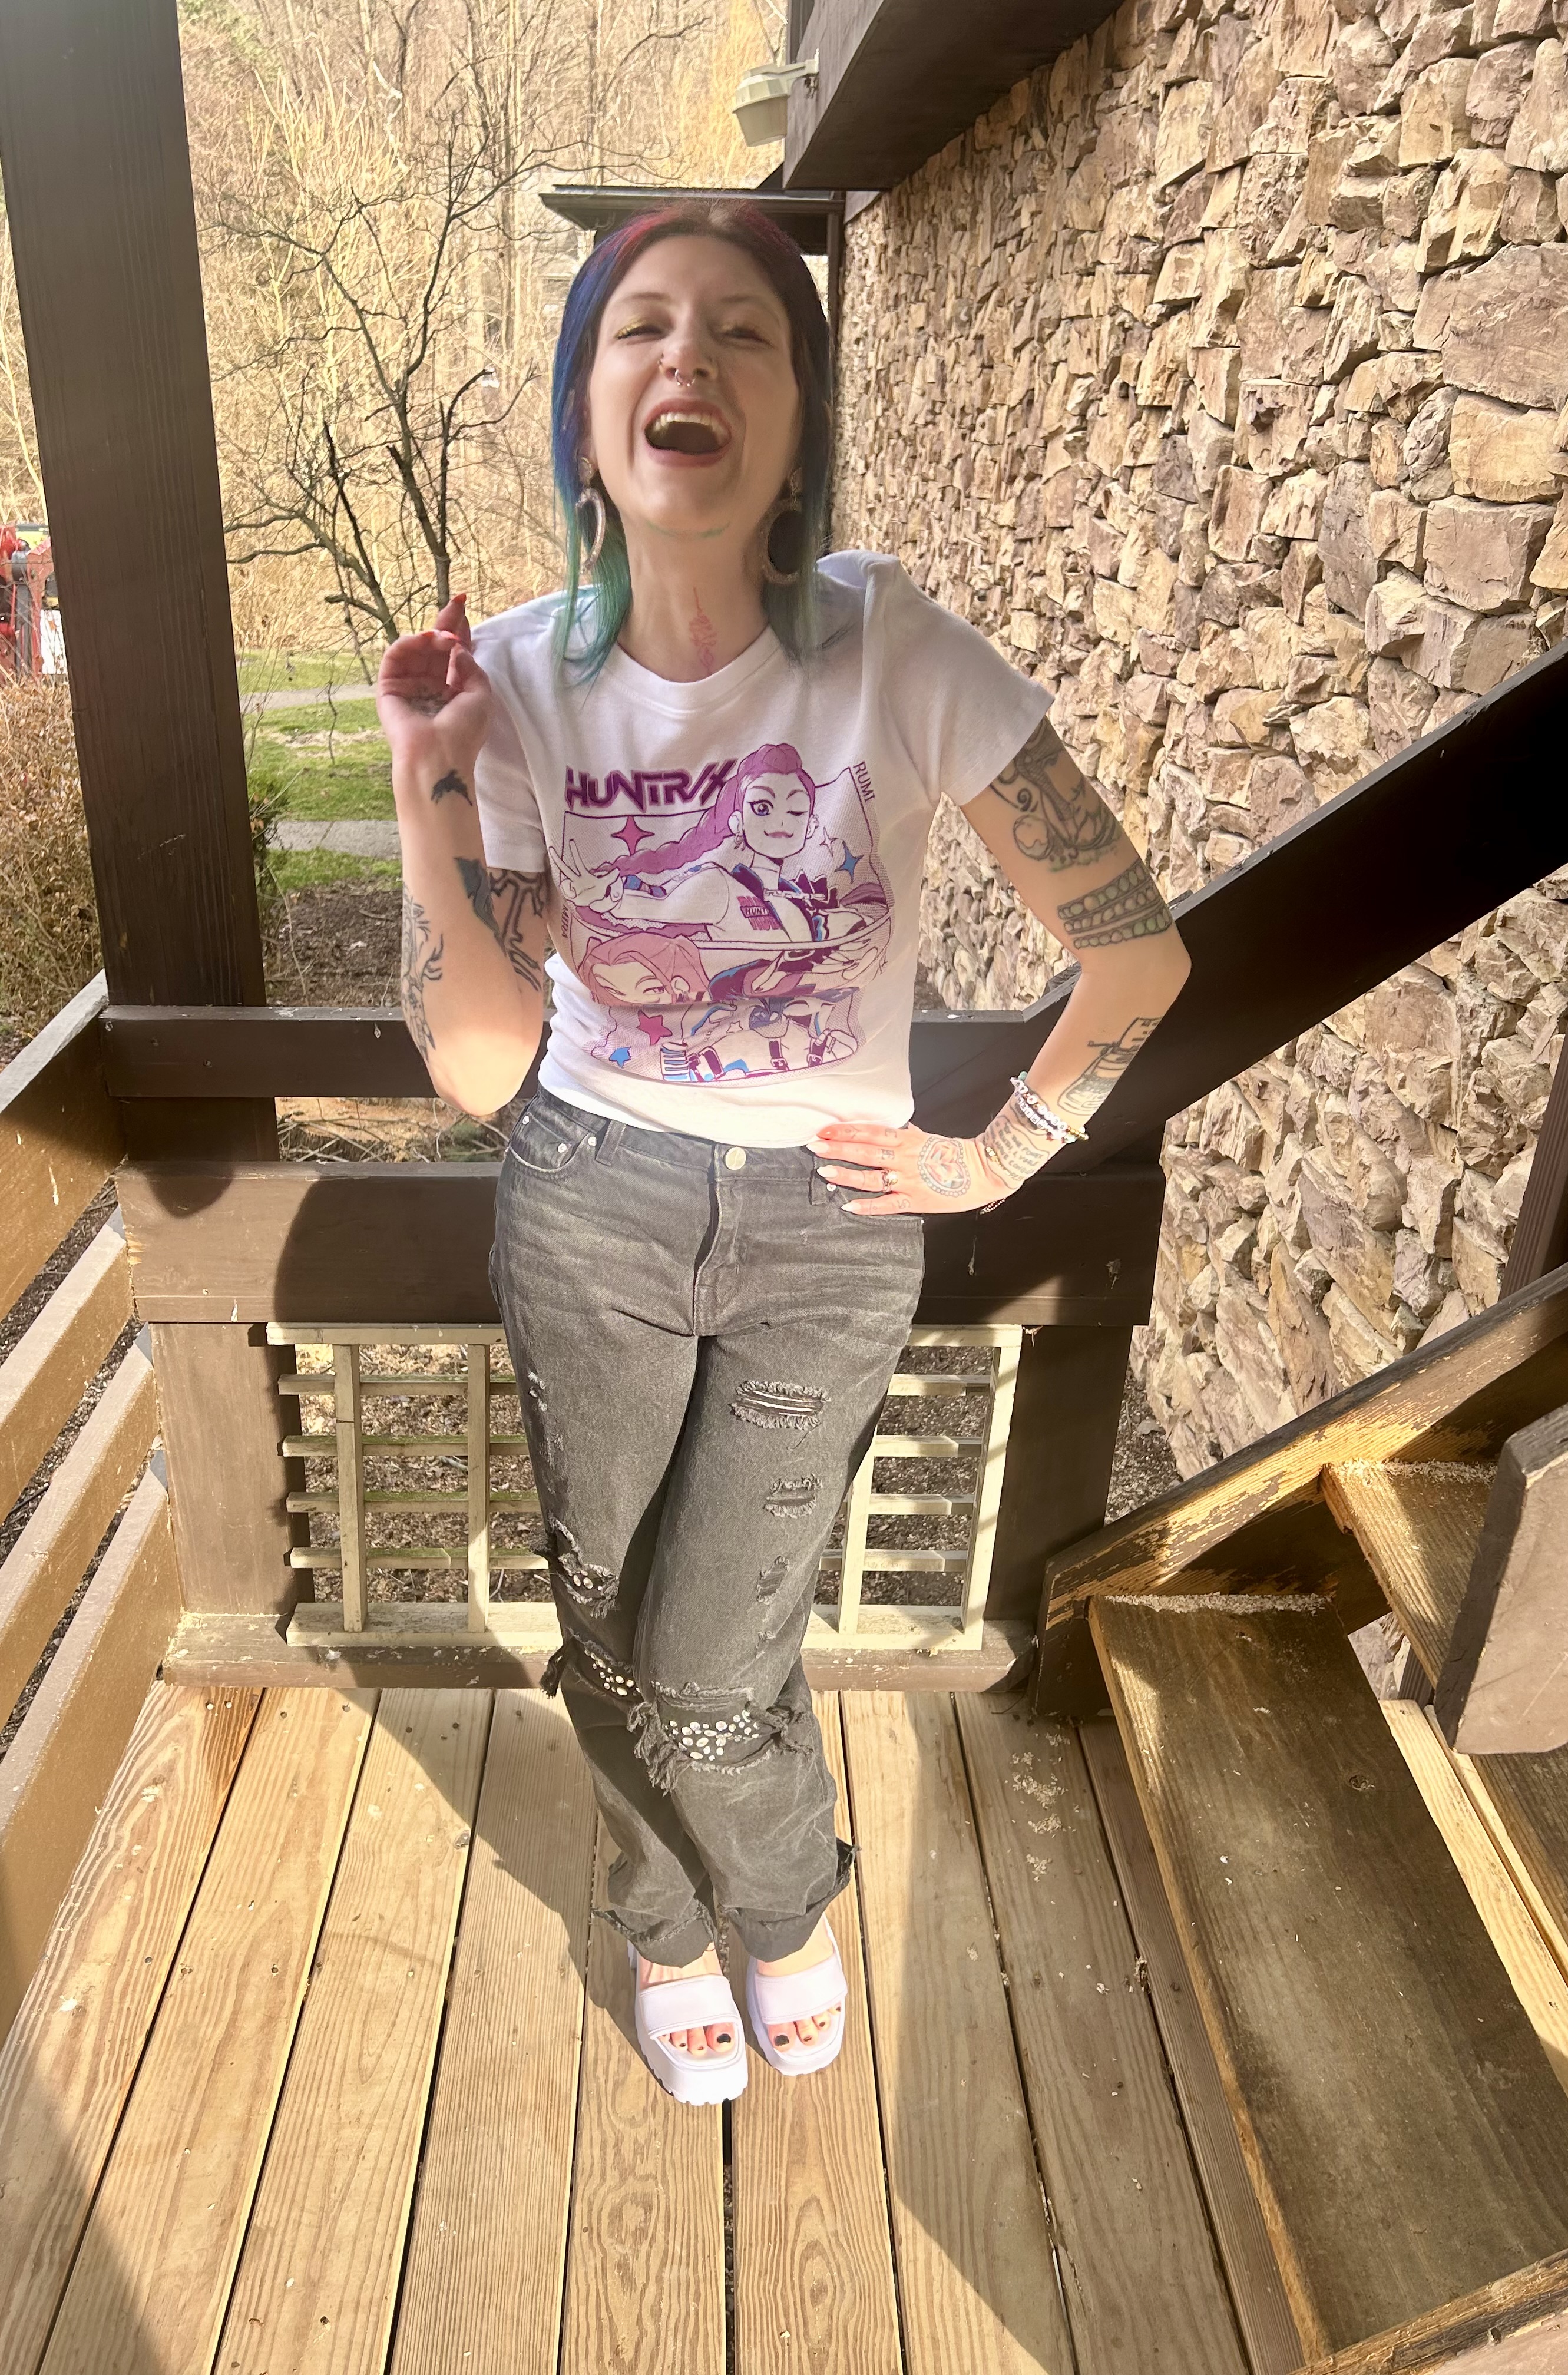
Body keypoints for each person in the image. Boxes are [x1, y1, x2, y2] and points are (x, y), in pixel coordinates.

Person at [375, 199, 1190, 2106]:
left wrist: (1001, 1157)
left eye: (744, 330)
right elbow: (483, 1067)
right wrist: (426, 782)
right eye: (642, 328)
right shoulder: (521, 680)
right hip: (591, 1196)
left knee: (705, 1656)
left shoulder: (891, 648)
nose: (691, 357)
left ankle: (779, 1898)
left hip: (830, 1223)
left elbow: (1137, 955)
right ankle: (664, 1925)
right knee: (609, 1623)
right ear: (586, 415)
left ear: (801, 415)